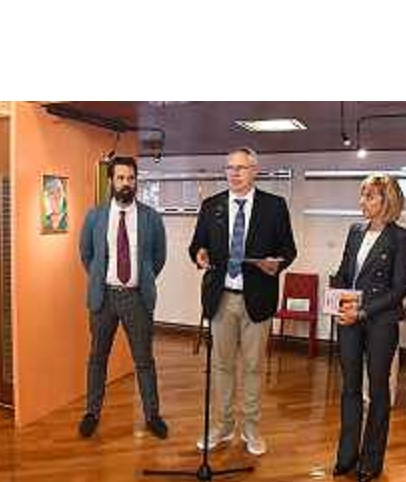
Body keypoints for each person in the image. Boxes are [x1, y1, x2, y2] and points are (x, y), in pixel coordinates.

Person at [189, 147, 297, 456]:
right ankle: (222, 426)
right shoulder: (212, 206)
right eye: (230, 168)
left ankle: (251, 429)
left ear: (255, 171)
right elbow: (197, 245)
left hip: (258, 299)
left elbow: (289, 249)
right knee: (221, 366)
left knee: (253, 367)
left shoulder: (274, 206)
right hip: (221, 298)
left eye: (241, 168)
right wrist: (199, 255)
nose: (234, 173)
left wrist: (277, 263)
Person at [331, 174, 406, 482]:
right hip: (349, 321)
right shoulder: (355, 231)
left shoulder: (401, 237)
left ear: (386, 200)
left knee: (378, 391)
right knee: (350, 388)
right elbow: (344, 273)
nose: (362, 202)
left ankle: (371, 460)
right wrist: (336, 303)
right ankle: (346, 456)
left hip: (381, 322)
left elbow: (399, 289)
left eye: (369, 196)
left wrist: (363, 311)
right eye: (362, 195)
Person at [78, 156, 169, 440]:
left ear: (136, 181)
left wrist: (141, 280)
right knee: (97, 358)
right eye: (120, 178)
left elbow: (159, 257)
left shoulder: (151, 218)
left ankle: (152, 416)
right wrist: (100, 278)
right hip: (103, 298)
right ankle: (92, 413)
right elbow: (86, 255)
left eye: (131, 178)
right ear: (111, 181)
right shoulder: (95, 217)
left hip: (137, 299)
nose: (126, 183)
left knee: (144, 361)